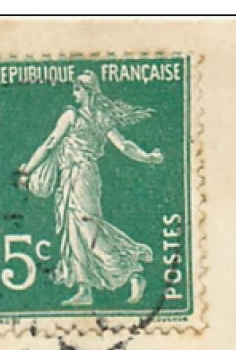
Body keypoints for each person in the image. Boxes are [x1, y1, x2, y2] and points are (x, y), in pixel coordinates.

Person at [17, 72, 164, 307]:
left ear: (87, 91)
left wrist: (27, 171)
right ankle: (84, 289)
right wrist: (148, 157)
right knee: (75, 229)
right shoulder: (102, 116)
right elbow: (125, 146)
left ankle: (130, 273)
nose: (74, 93)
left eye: (77, 89)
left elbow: (50, 143)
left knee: (87, 229)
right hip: (80, 176)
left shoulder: (71, 115)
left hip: (78, 176)